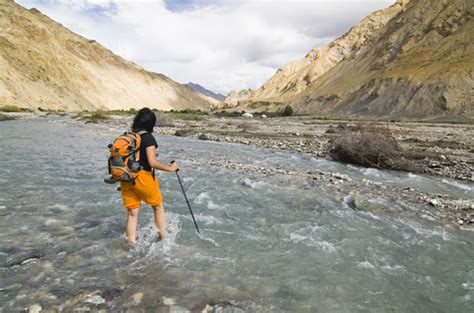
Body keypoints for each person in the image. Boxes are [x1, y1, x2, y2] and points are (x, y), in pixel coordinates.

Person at [120, 107, 178, 244]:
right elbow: (152, 162)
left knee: (132, 213)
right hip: (142, 178)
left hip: (126, 177)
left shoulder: (128, 136)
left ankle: (130, 244)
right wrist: (170, 168)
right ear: (150, 123)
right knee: (157, 206)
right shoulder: (148, 138)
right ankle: (164, 238)